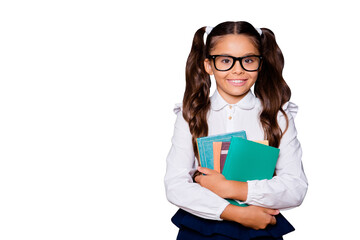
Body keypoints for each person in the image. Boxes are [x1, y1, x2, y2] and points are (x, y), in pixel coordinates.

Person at [164, 21, 308, 240]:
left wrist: (230, 188)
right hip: (201, 229)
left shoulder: (278, 117)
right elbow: (175, 185)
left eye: (248, 60)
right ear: (208, 65)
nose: (237, 69)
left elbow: (295, 187)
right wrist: (236, 213)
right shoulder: (190, 116)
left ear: (260, 64)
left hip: (260, 229)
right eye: (225, 60)